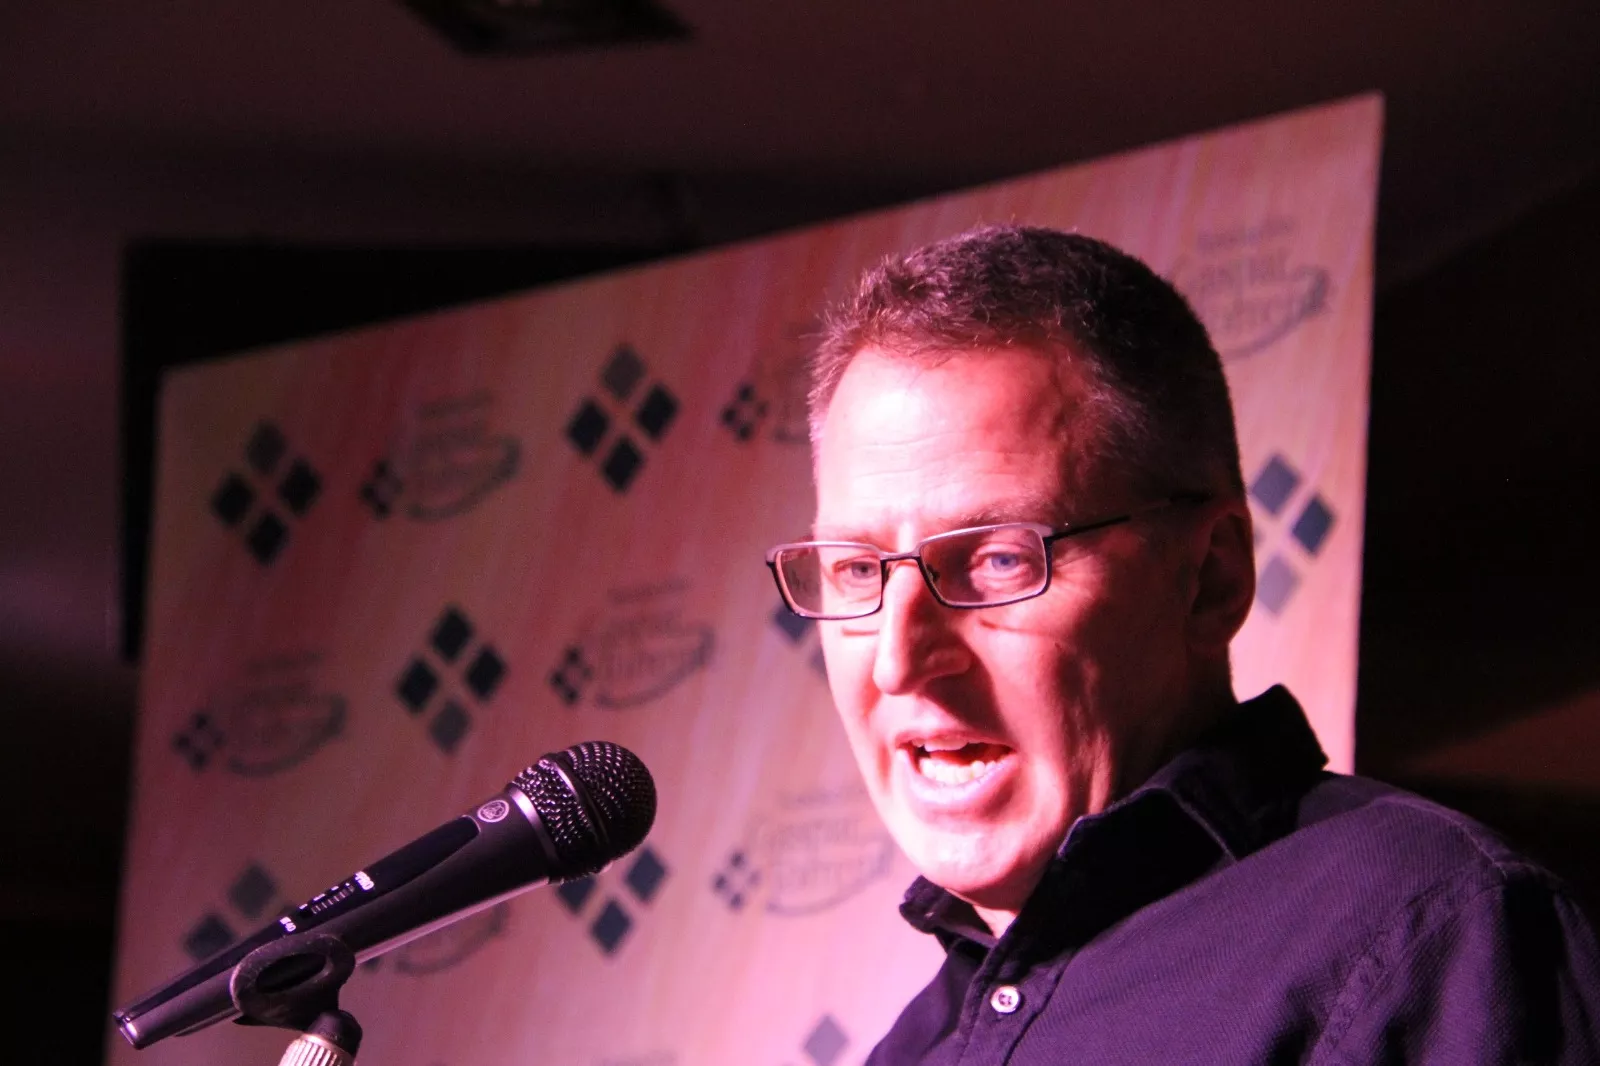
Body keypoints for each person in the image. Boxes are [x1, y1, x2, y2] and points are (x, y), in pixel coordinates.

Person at [763, 226, 1600, 1063]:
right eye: (858, 570)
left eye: (999, 560)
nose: (898, 659)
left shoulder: (1428, 932)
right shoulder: (917, 1045)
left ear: (1210, 580)